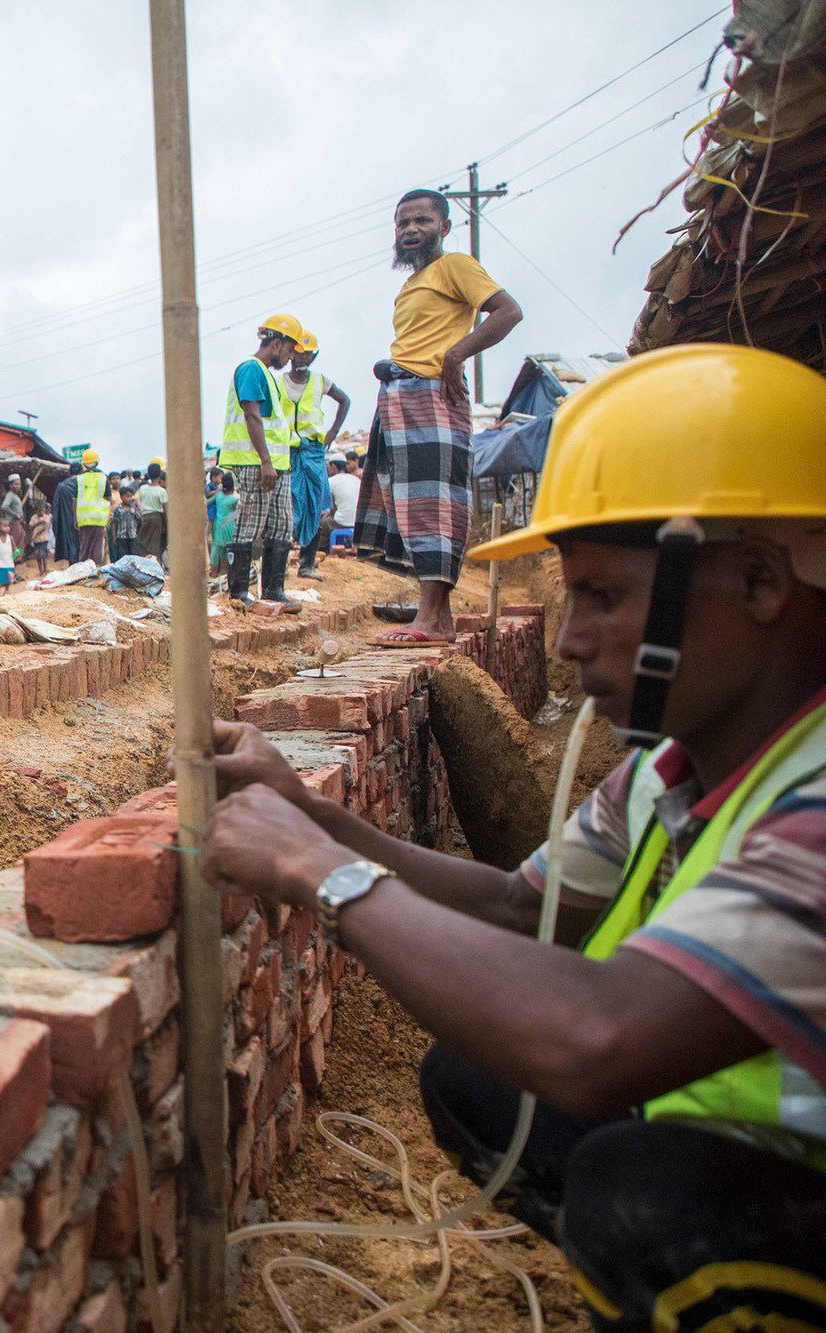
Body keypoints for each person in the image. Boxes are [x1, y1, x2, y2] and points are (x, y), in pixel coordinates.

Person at [201, 345, 826, 1331]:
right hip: (752, 1149)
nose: (569, 641)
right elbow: (513, 903)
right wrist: (307, 811)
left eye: (603, 598)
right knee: (478, 1076)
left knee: (639, 1191)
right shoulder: (672, 770)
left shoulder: (815, 798)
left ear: (755, 580)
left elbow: (596, 1040)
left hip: (747, 1170)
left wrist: (318, 872)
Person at [359, 188, 523, 645]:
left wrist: (456, 354)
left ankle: (433, 620)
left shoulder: (456, 266)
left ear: (444, 228)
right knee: (408, 505)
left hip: (431, 395)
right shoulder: (413, 283)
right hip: (401, 395)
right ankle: (434, 614)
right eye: (403, 223)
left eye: (422, 221)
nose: (411, 229)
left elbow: (508, 312)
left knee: (434, 503)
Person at [216, 315, 303, 607]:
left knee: (281, 524)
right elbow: (252, 415)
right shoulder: (250, 369)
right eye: (289, 350)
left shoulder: (266, 375)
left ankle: (273, 590)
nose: (290, 358)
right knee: (250, 522)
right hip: (256, 462)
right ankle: (239, 592)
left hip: (276, 465)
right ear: (276, 343)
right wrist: (265, 461)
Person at [285, 329, 352, 580]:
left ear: (313, 357)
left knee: (314, 505)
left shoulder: (320, 380)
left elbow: (344, 400)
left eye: (308, 356)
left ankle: (307, 564)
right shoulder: (280, 383)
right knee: (288, 505)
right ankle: (280, 564)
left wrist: (333, 432)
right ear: (291, 354)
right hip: (288, 452)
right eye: (299, 354)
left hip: (313, 452)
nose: (303, 360)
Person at [73, 448, 109, 565]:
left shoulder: (79, 479)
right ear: (97, 462)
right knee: (97, 547)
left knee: (84, 548)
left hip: (83, 519)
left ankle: (83, 572)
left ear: (83, 464)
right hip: (99, 518)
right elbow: (108, 498)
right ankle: (96, 570)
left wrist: (75, 519)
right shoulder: (103, 478)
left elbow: (75, 501)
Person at [327, 454, 361, 552]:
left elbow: (333, 508)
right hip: (358, 521)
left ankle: (325, 552)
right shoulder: (356, 480)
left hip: (343, 522)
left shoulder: (331, 481)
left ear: (333, 466)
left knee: (322, 524)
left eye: (329, 466)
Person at [136, 461, 168, 563]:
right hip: (157, 519)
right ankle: (156, 565)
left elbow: (139, 503)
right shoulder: (161, 491)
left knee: (143, 543)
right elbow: (165, 510)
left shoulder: (143, 488)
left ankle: (145, 564)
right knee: (155, 544)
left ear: (148, 474)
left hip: (145, 518)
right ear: (160, 475)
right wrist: (166, 524)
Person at [209, 471, 238, 573]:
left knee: (216, 549)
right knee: (228, 550)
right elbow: (238, 513)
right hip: (230, 525)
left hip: (219, 526)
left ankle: (213, 573)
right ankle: (225, 573)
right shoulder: (235, 498)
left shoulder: (219, 496)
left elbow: (207, 502)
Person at [109, 485, 140, 562]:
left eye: (130, 496)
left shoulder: (133, 508)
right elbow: (114, 523)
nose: (129, 498)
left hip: (132, 536)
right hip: (121, 536)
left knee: (133, 555)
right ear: (121, 497)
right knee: (122, 555)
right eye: (127, 496)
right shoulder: (118, 509)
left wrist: (137, 532)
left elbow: (139, 520)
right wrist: (114, 536)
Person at [0, 519, 16, 597]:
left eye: (8, 526)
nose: (7, 528)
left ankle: (7, 589)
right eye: (5, 526)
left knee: (8, 576)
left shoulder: (10, 537)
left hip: (9, 561)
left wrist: (16, 553)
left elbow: (15, 547)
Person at [27, 500, 53, 579]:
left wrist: (36, 531)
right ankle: (40, 571)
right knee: (38, 557)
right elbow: (30, 527)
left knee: (43, 556)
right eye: (39, 510)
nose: (41, 512)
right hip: (36, 540)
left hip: (44, 539)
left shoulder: (47, 517)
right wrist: (37, 523)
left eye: (43, 510)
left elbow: (45, 527)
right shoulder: (33, 517)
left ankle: (45, 570)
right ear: (36, 511)